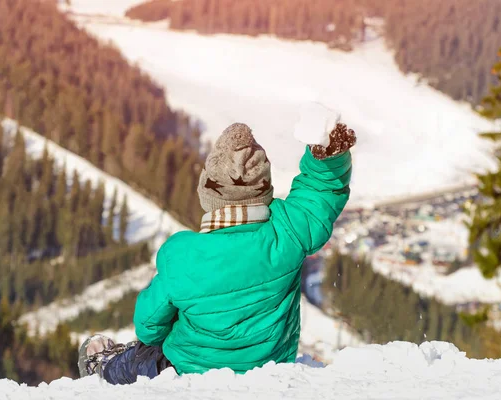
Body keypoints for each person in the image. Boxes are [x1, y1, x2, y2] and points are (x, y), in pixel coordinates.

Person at [78, 120, 356, 384]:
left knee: (140, 358)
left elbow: (148, 327)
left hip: (187, 367)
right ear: (263, 186)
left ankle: (103, 365)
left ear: (208, 192)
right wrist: (328, 155)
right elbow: (319, 193)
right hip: (270, 364)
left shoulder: (182, 253)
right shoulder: (288, 231)